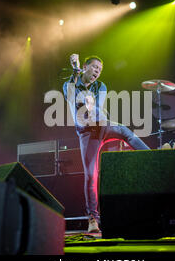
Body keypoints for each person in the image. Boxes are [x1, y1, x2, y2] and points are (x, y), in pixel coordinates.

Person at [63, 53, 150, 233]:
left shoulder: (101, 86)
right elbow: (72, 96)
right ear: (85, 67)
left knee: (127, 133)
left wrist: (91, 106)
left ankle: (155, 156)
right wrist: (75, 71)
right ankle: (93, 218)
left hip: (102, 125)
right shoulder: (69, 84)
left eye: (100, 70)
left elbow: (98, 109)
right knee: (90, 175)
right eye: (95, 67)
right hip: (88, 133)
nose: (97, 72)